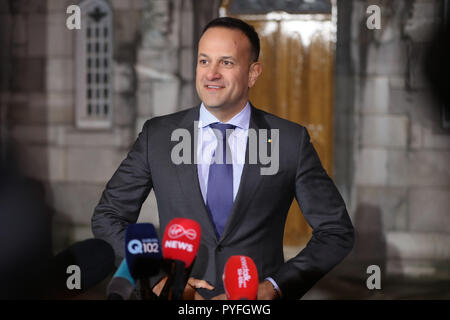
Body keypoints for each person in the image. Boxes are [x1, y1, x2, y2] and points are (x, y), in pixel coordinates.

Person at [92, 17, 354, 300]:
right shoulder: (158, 136)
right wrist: (157, 278)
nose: (211, 74)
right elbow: (109, 216)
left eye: (226, 63)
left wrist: (273, 287)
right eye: (204, 61)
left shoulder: (290, 141)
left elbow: (335, 231)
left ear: (253, 73)